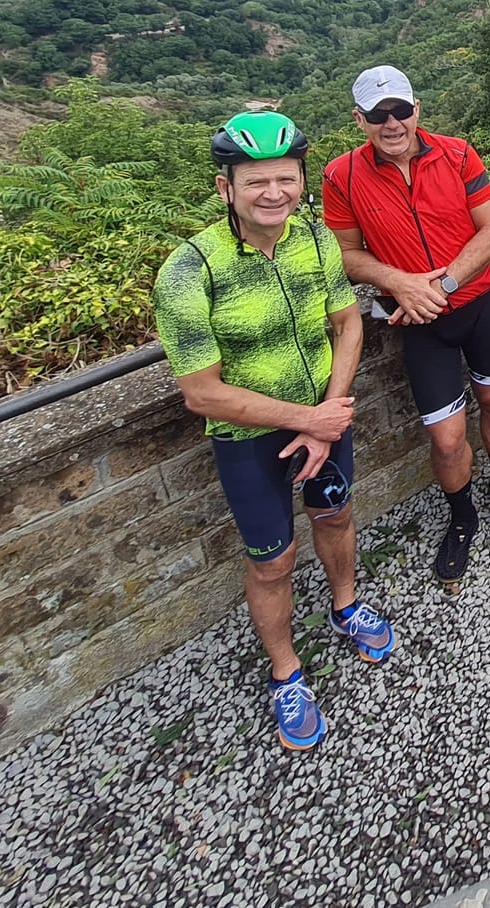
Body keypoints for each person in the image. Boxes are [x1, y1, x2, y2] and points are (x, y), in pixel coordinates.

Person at [152, 112, 393, 751]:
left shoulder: (314, 242)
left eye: (286, 179)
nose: (273, 193)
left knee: (336, 518)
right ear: (224, 187)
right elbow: (201, 391)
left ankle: (346, 606)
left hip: (325, 414)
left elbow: (348, 326)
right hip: (248, 439)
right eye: (256, 181)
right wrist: (304, 420)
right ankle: (285, 670)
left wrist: (327, 415)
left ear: (301, 182)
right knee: (272, 559)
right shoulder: (190, 269)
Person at [323, 65, 490, 585]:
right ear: (359, 120)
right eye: (377, 115)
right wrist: (401, 282)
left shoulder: (457, 153)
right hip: (416, 320)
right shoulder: (341, 176)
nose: (391, 124)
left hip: (479, 301)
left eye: (400, 111)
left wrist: (441, 286)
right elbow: (345, 253)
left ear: (417, 110)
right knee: (445, 436)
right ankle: (462, 516)